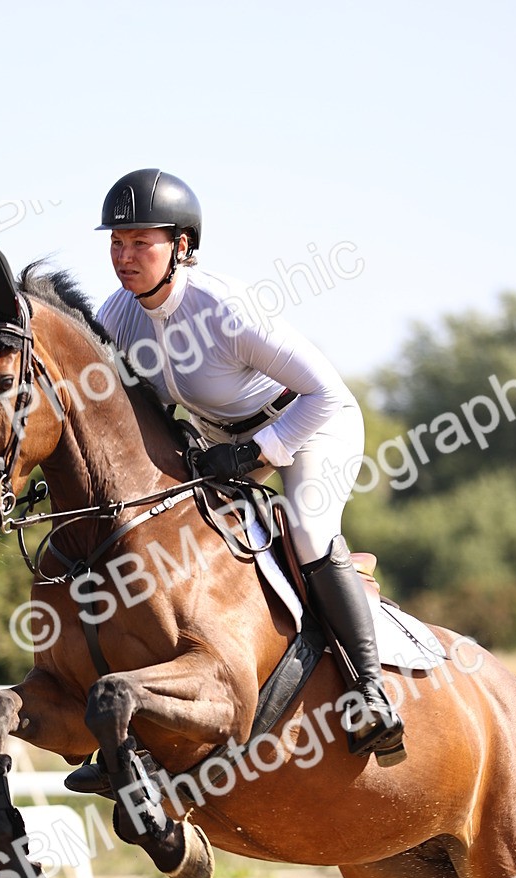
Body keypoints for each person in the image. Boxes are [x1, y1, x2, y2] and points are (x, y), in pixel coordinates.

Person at [67, 167, 404, 794]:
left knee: (306, 530)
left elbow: (325, 393)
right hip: (221, 440)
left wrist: (256, 454)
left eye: (142, 242)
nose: (124, 257)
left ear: (183, 246)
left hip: (305, 425)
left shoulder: (224, 306)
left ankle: (372, 691)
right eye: (116, 243)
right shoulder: (117, 316)